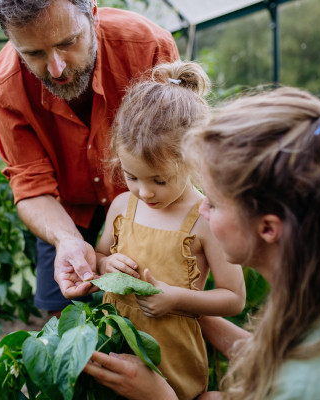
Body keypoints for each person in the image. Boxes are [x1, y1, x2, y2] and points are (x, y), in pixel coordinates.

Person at [84, 88, 320, 400]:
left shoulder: (309, 387)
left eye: (213, 203)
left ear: (268, 228)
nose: (200, 209)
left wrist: (161, 396)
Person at [0, 0, 179, 316]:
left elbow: (174, 155)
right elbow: (31, 185)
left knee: (153, 311)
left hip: (144, 200)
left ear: (92, 12)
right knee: (61, 316)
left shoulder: (147, 47)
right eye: (33, 54)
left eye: (67, 43)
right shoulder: (4, 85)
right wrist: (66, 240)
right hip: (66, 212)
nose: (56, 67)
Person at [94, 60, 246, 400]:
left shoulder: (206, 219)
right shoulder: (122, 207)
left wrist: (176, 299)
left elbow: (234, 298)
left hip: (174, 357)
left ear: (193, 161)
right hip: (117, 345)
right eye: (132, 177)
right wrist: (105, 265)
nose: (144, 192)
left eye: (159, 180)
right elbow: (101, 255)